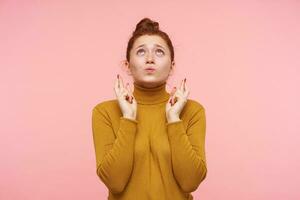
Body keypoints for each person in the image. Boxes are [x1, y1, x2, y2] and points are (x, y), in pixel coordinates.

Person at [92, 17, 207, 200]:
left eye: (159, 52)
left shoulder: (192, 111)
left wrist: (174, 119)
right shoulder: (104, 112)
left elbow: (190, 181)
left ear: (172, 66)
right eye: (141, 52)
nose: (150, 59)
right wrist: (128, 117)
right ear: (127, 65)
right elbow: (115, 182)